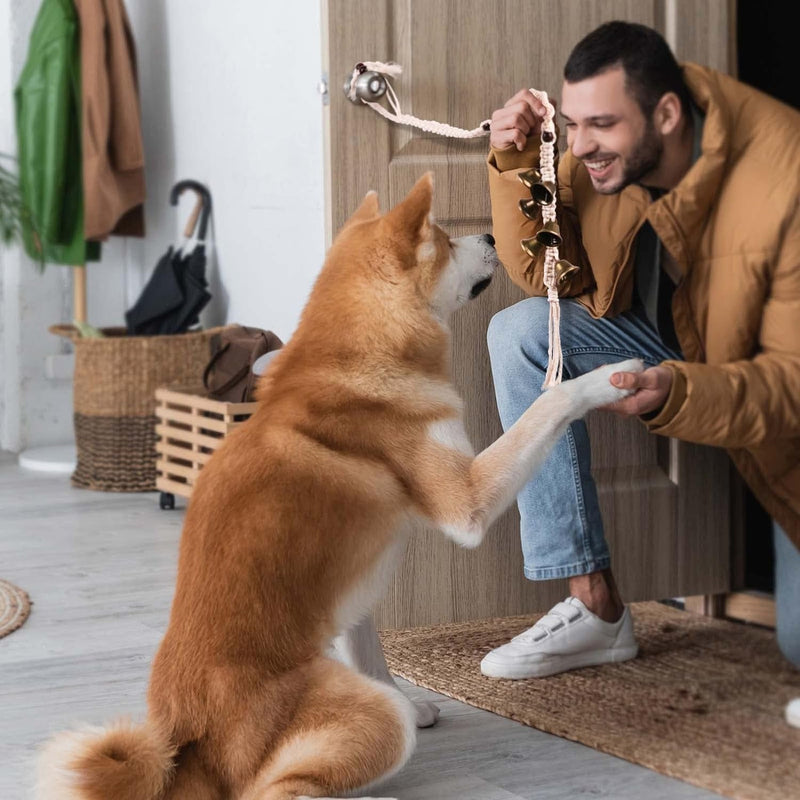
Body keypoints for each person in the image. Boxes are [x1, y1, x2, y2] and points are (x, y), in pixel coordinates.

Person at [482, 20, 800, 726]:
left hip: (777, 385)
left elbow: (789, 386)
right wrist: (516, 161)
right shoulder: (608, 158)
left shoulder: (786, 176)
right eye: (572, 124)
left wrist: (681, 390)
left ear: (665, 114)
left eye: (600, 124)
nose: (583, 142)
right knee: (524, 334)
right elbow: (548, 274)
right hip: (680, 338)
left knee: (796, 639)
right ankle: (593, 607)